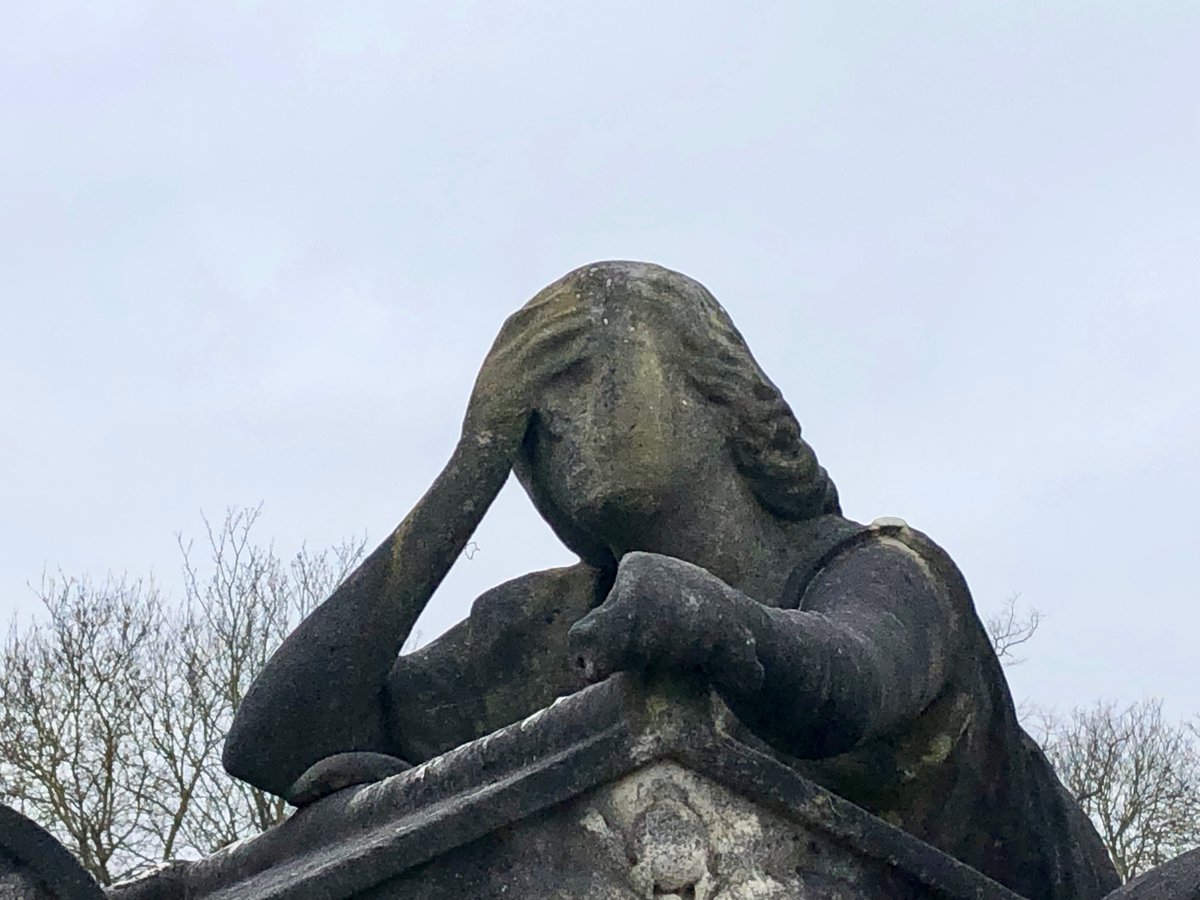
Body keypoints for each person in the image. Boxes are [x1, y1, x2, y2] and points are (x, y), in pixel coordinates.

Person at [224, 261, 1118, 899]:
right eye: (522, 412)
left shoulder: (883, 567)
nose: (548, 418)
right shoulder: (547, 627)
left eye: (578, 372)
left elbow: (844, 684)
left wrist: (710, 622)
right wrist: (473, 462)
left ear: (718, 391)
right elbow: (275, 745)